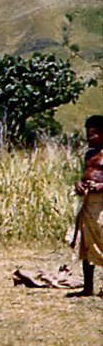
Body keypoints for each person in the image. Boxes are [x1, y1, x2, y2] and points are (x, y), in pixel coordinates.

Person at [72, 115, 103, 296]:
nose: (88, 139)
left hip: (101, 205)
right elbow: (85, 175)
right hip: (88, 203)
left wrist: (101, 186)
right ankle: (88, 287)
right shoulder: (89, 154)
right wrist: (79, 184)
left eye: (92, 135)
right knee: (86, 244)